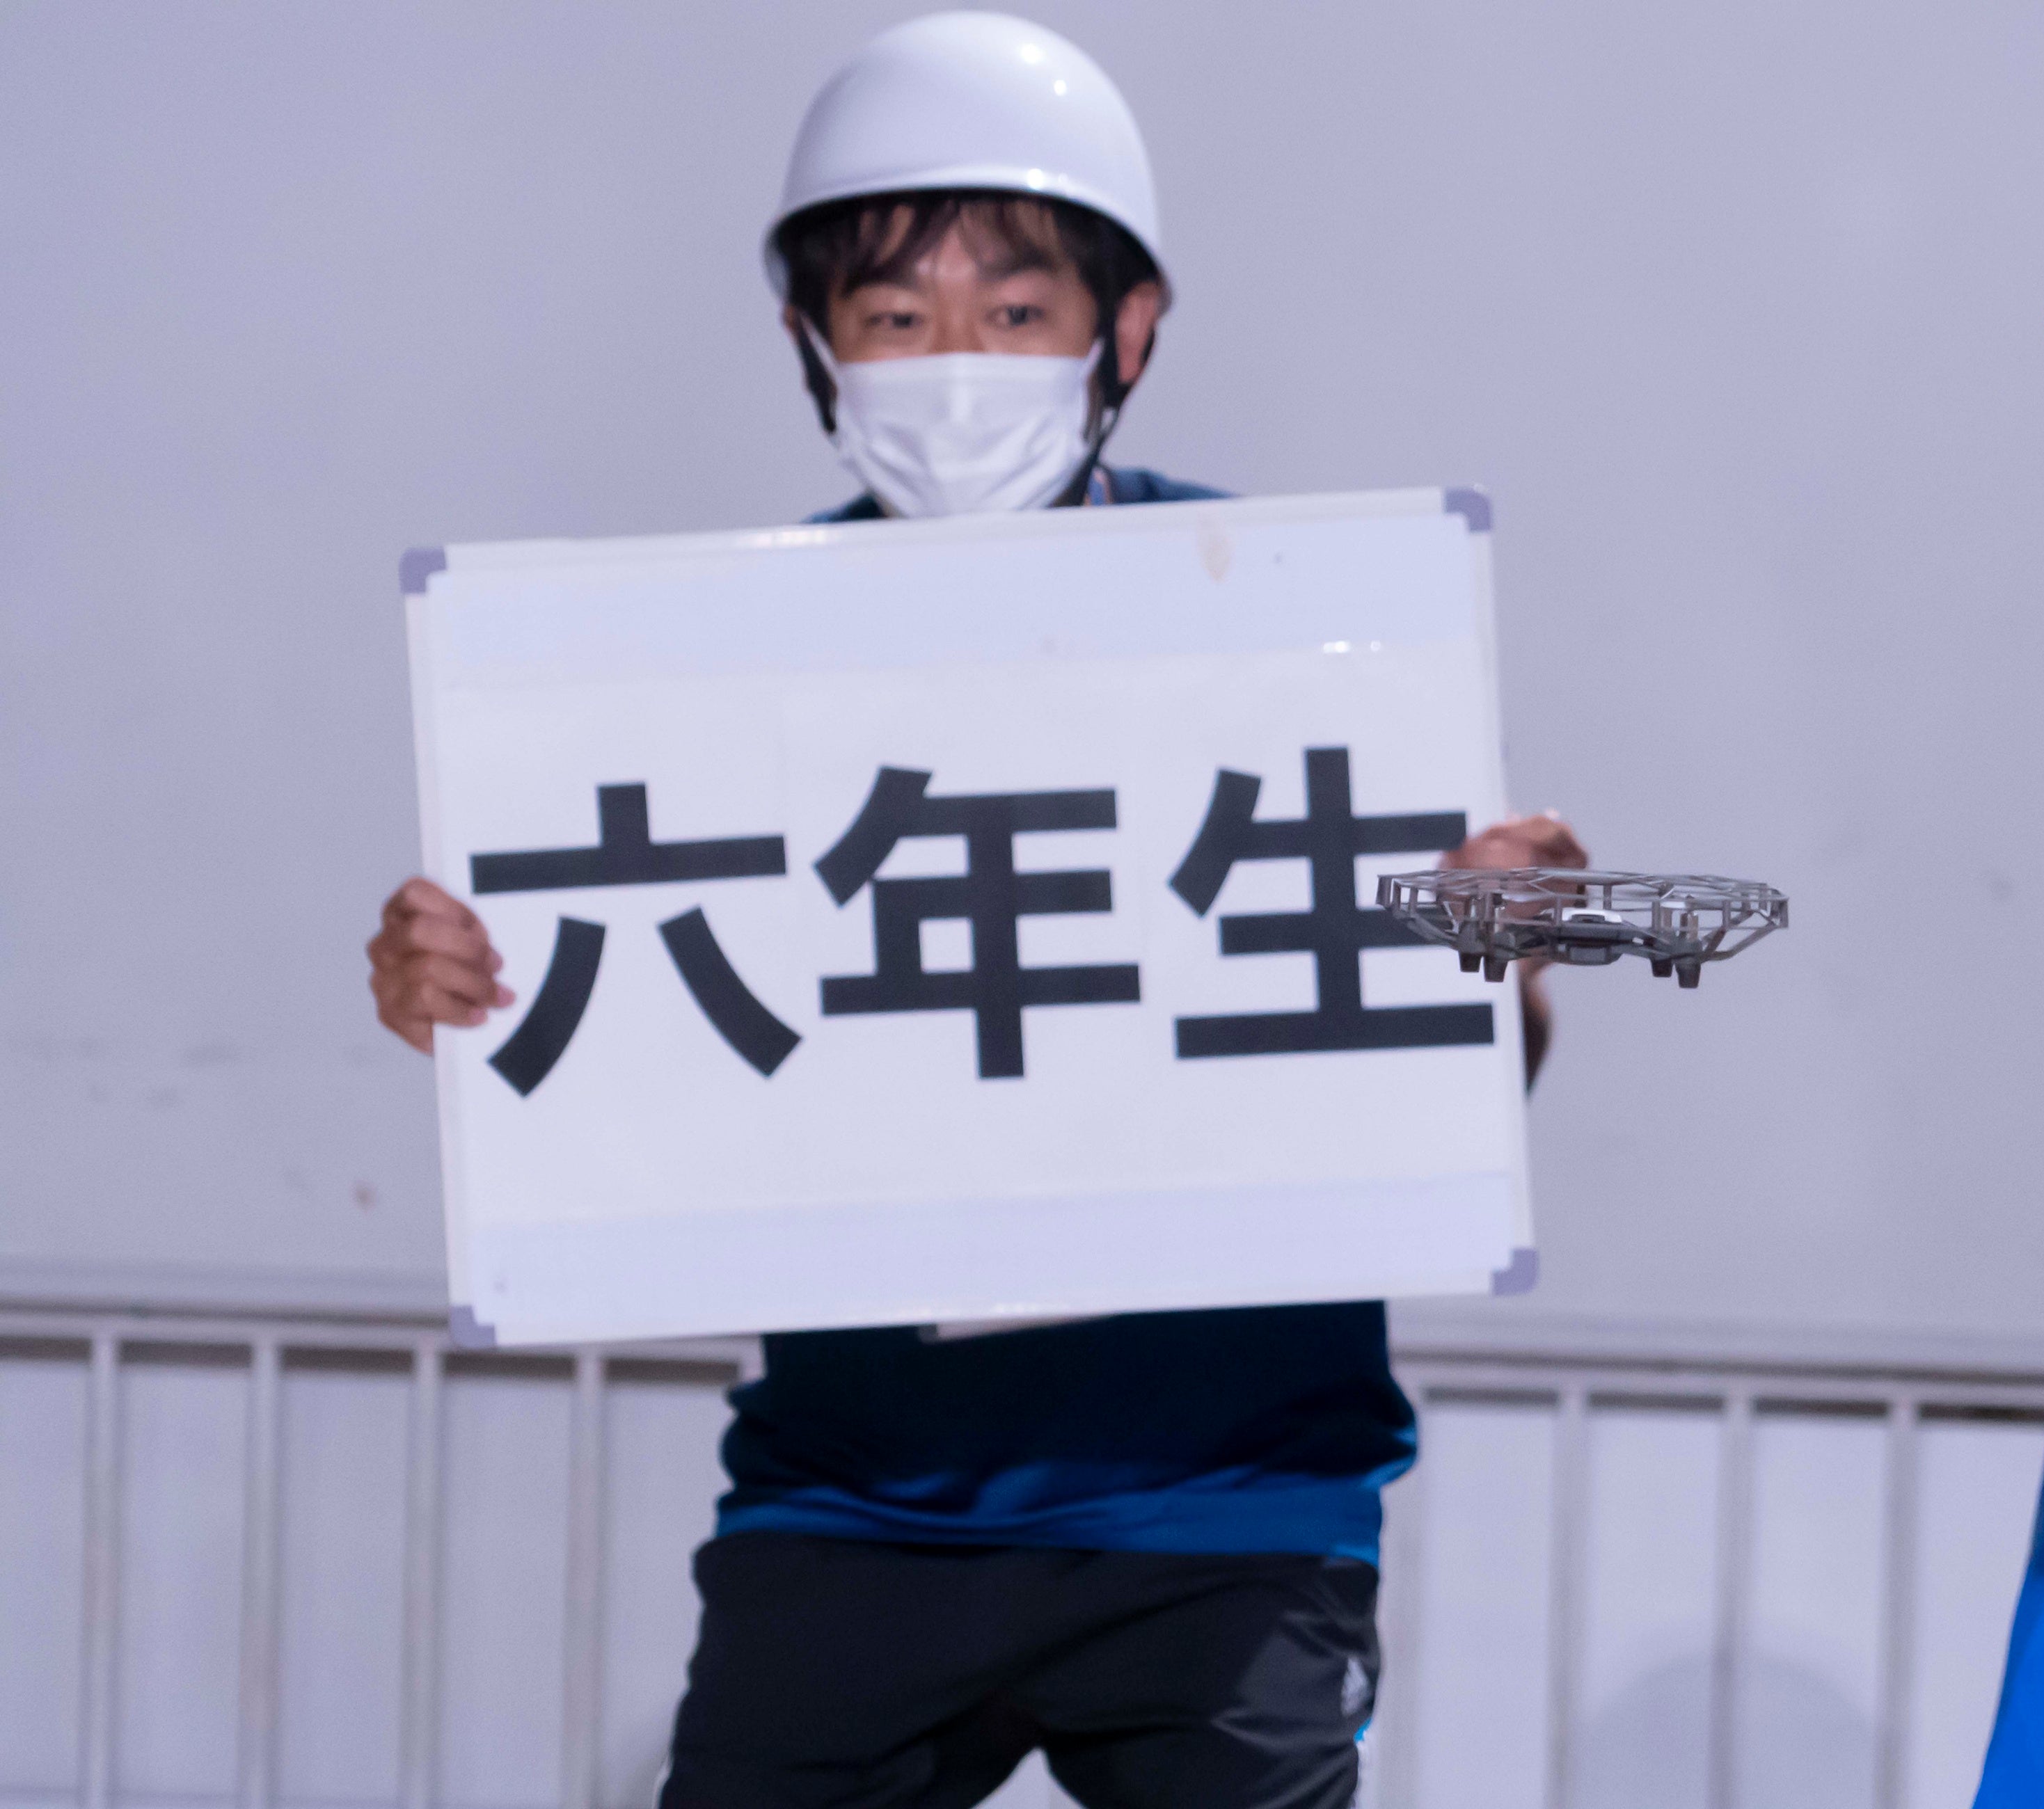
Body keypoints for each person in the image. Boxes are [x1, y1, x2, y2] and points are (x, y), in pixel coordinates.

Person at [363, 15, 1585, 1809]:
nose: (953, 371)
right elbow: (630, 1042)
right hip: (853, 1500)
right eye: (893, 318)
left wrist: (1501, 958)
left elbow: (1469, 1075)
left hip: (1228, 1504)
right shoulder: (712, 676)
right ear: (814, 347)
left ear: (1126, 332)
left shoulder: (1291, 631)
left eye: (1015, 314)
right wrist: (469, 986)